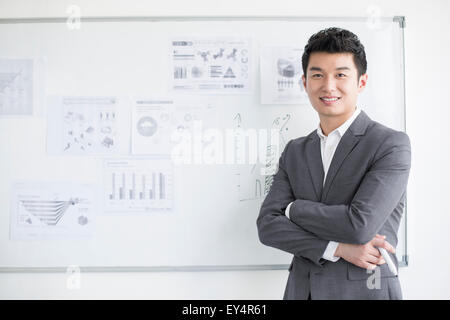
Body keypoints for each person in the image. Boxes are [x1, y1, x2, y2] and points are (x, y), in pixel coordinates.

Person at [256, 27, 411, 300]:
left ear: (361, 82)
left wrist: (294, 209)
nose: (328, 86)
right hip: (302, 291)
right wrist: (337, 248)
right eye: (318, 75)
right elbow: (268, 226)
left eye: (341, 75)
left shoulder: (390, 144)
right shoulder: (295, 150)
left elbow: (359, 225)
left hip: (366, 290)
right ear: (304, 82)